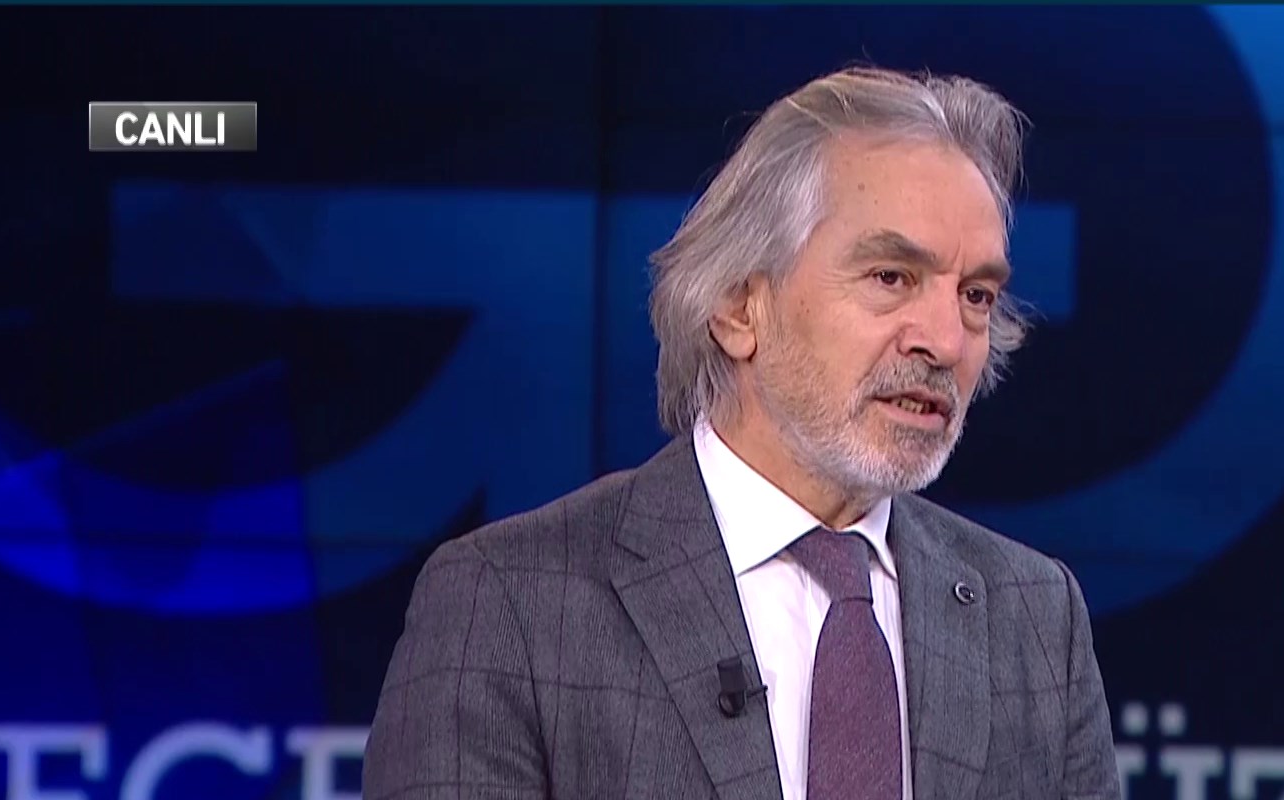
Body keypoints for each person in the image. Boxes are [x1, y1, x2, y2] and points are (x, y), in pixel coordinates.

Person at [363, 65, 1121, 800]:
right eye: (891, 278)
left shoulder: (1035, 618)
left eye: (976, 296)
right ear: (738, 306)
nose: (946, 342)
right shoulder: (510, 605)